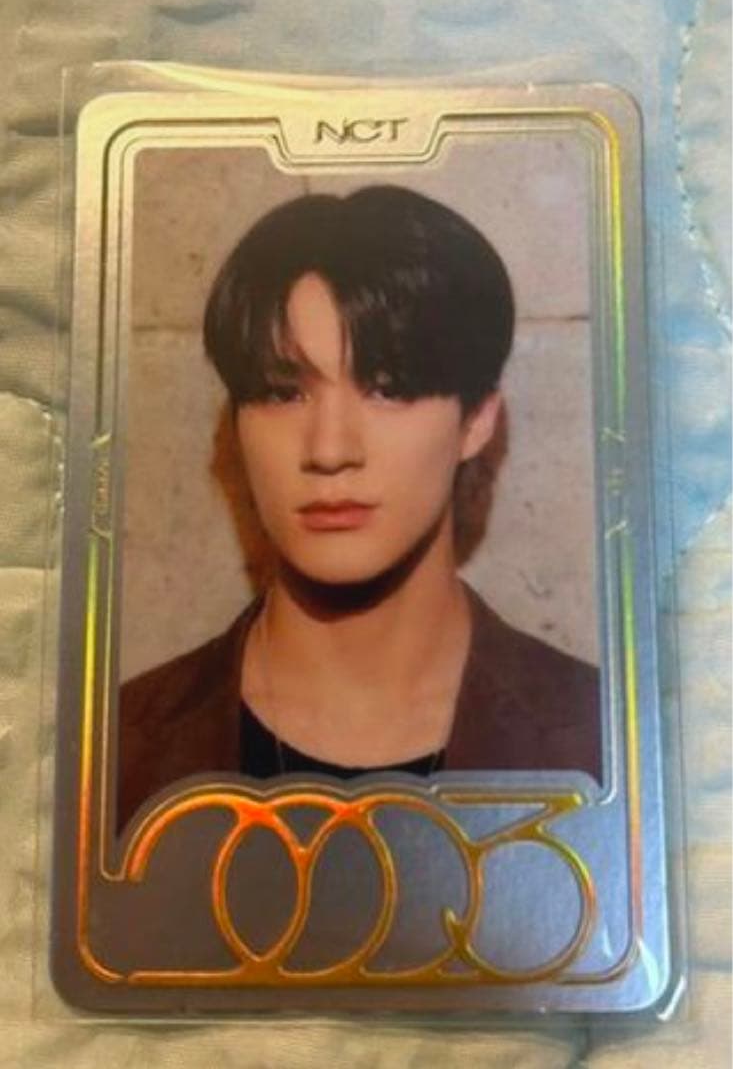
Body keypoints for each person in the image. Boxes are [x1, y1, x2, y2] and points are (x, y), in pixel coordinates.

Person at [117, 185, 601, 832]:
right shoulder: (119, 752)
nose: (329, 450)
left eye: (387, 388)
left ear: (477, 420)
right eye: (282, 393)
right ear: (235, 424)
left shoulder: (601, 744)